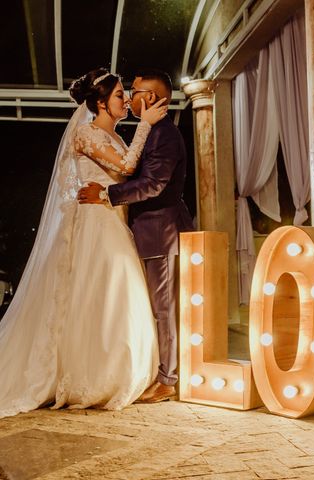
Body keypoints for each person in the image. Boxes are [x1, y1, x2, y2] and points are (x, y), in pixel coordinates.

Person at [0, 67, 168, 418]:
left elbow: (128, 166)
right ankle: (92, 376)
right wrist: (146, 125)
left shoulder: (116, 137)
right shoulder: (84, 133)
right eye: (120, 95)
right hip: (95, 225)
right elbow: (125, 166)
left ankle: (122, 367)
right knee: (100, 294)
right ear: (102, 103)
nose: (125, 101)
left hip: (114, 221)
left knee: (118, 295)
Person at [78, 69, 193, 404]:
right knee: (154, 307)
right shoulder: (153, 132)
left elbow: (154, 184)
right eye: (125, 91)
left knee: (164, 308)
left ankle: (168, 379)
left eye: (135, 90)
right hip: (148, 231)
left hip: (161, 232)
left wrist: (107, 195)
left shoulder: (166, 135)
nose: (129, 96)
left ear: (152, 99)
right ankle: (157, 371)